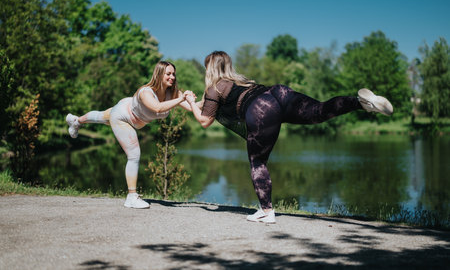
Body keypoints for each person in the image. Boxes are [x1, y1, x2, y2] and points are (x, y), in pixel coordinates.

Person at [186, 51, 393, 223]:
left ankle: (267, 212)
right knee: (319, 111)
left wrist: (192, 104)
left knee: (258, 161)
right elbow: (203, 108)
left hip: (260, 109)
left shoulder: (214, 88)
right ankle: (361, 102)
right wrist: (185, 101)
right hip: (279, 93)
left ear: (210, 68)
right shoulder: (239, 81)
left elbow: (205, 120)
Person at [66, 61, 193, 209]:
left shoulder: (173, 93)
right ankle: (131, 197)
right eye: (168, 74)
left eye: (173, 74)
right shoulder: (146, 92)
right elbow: (157, 108)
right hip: (123, 117)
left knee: (101, 116)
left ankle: (76, 121)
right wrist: (181, 99)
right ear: (159, 74)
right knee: (134, 155)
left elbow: (194, 107)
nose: (172, 77)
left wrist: (213, 100)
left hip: (128, 110)